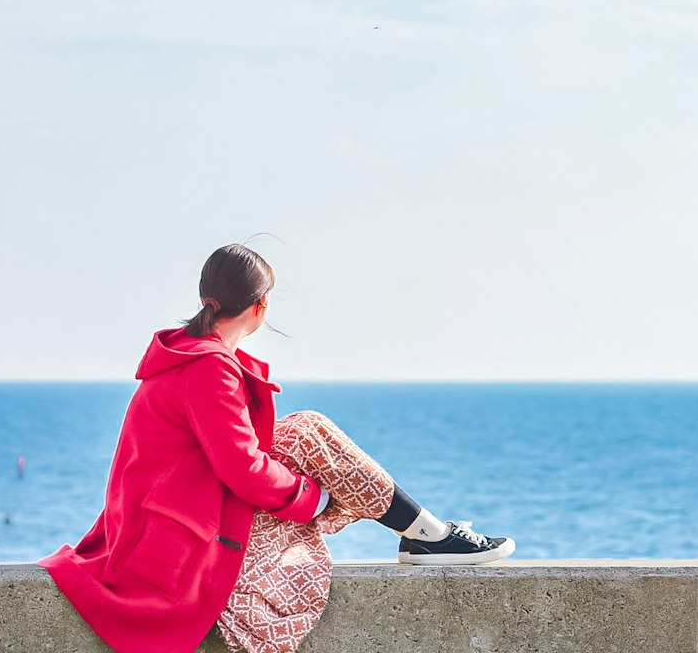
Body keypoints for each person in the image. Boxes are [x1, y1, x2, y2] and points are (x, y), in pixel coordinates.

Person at [41, 243, 514, 653]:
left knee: (308, 429)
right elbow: (242, 468)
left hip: (172, 516)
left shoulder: (189, 352)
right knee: (311, 433)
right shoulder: (208, 368)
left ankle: (426, 533)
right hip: (180, 539)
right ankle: (428, 534)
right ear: (261, 307)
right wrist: (314, 499)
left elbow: (233, 457)